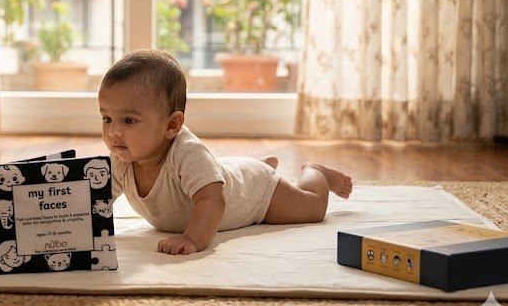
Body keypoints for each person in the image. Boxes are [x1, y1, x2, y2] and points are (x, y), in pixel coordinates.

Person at [98, 49, 353, 255]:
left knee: (312, 210)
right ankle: (257, 165)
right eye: (107, 119)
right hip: (226, 173)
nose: (114, 132)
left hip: (254, 195)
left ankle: (315, 173)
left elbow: (212, 200)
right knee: (220, 173)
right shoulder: (121, 159)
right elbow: (98, 202)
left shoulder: (187, 153)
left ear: (172, 125)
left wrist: (192, 238)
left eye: (129, 121)